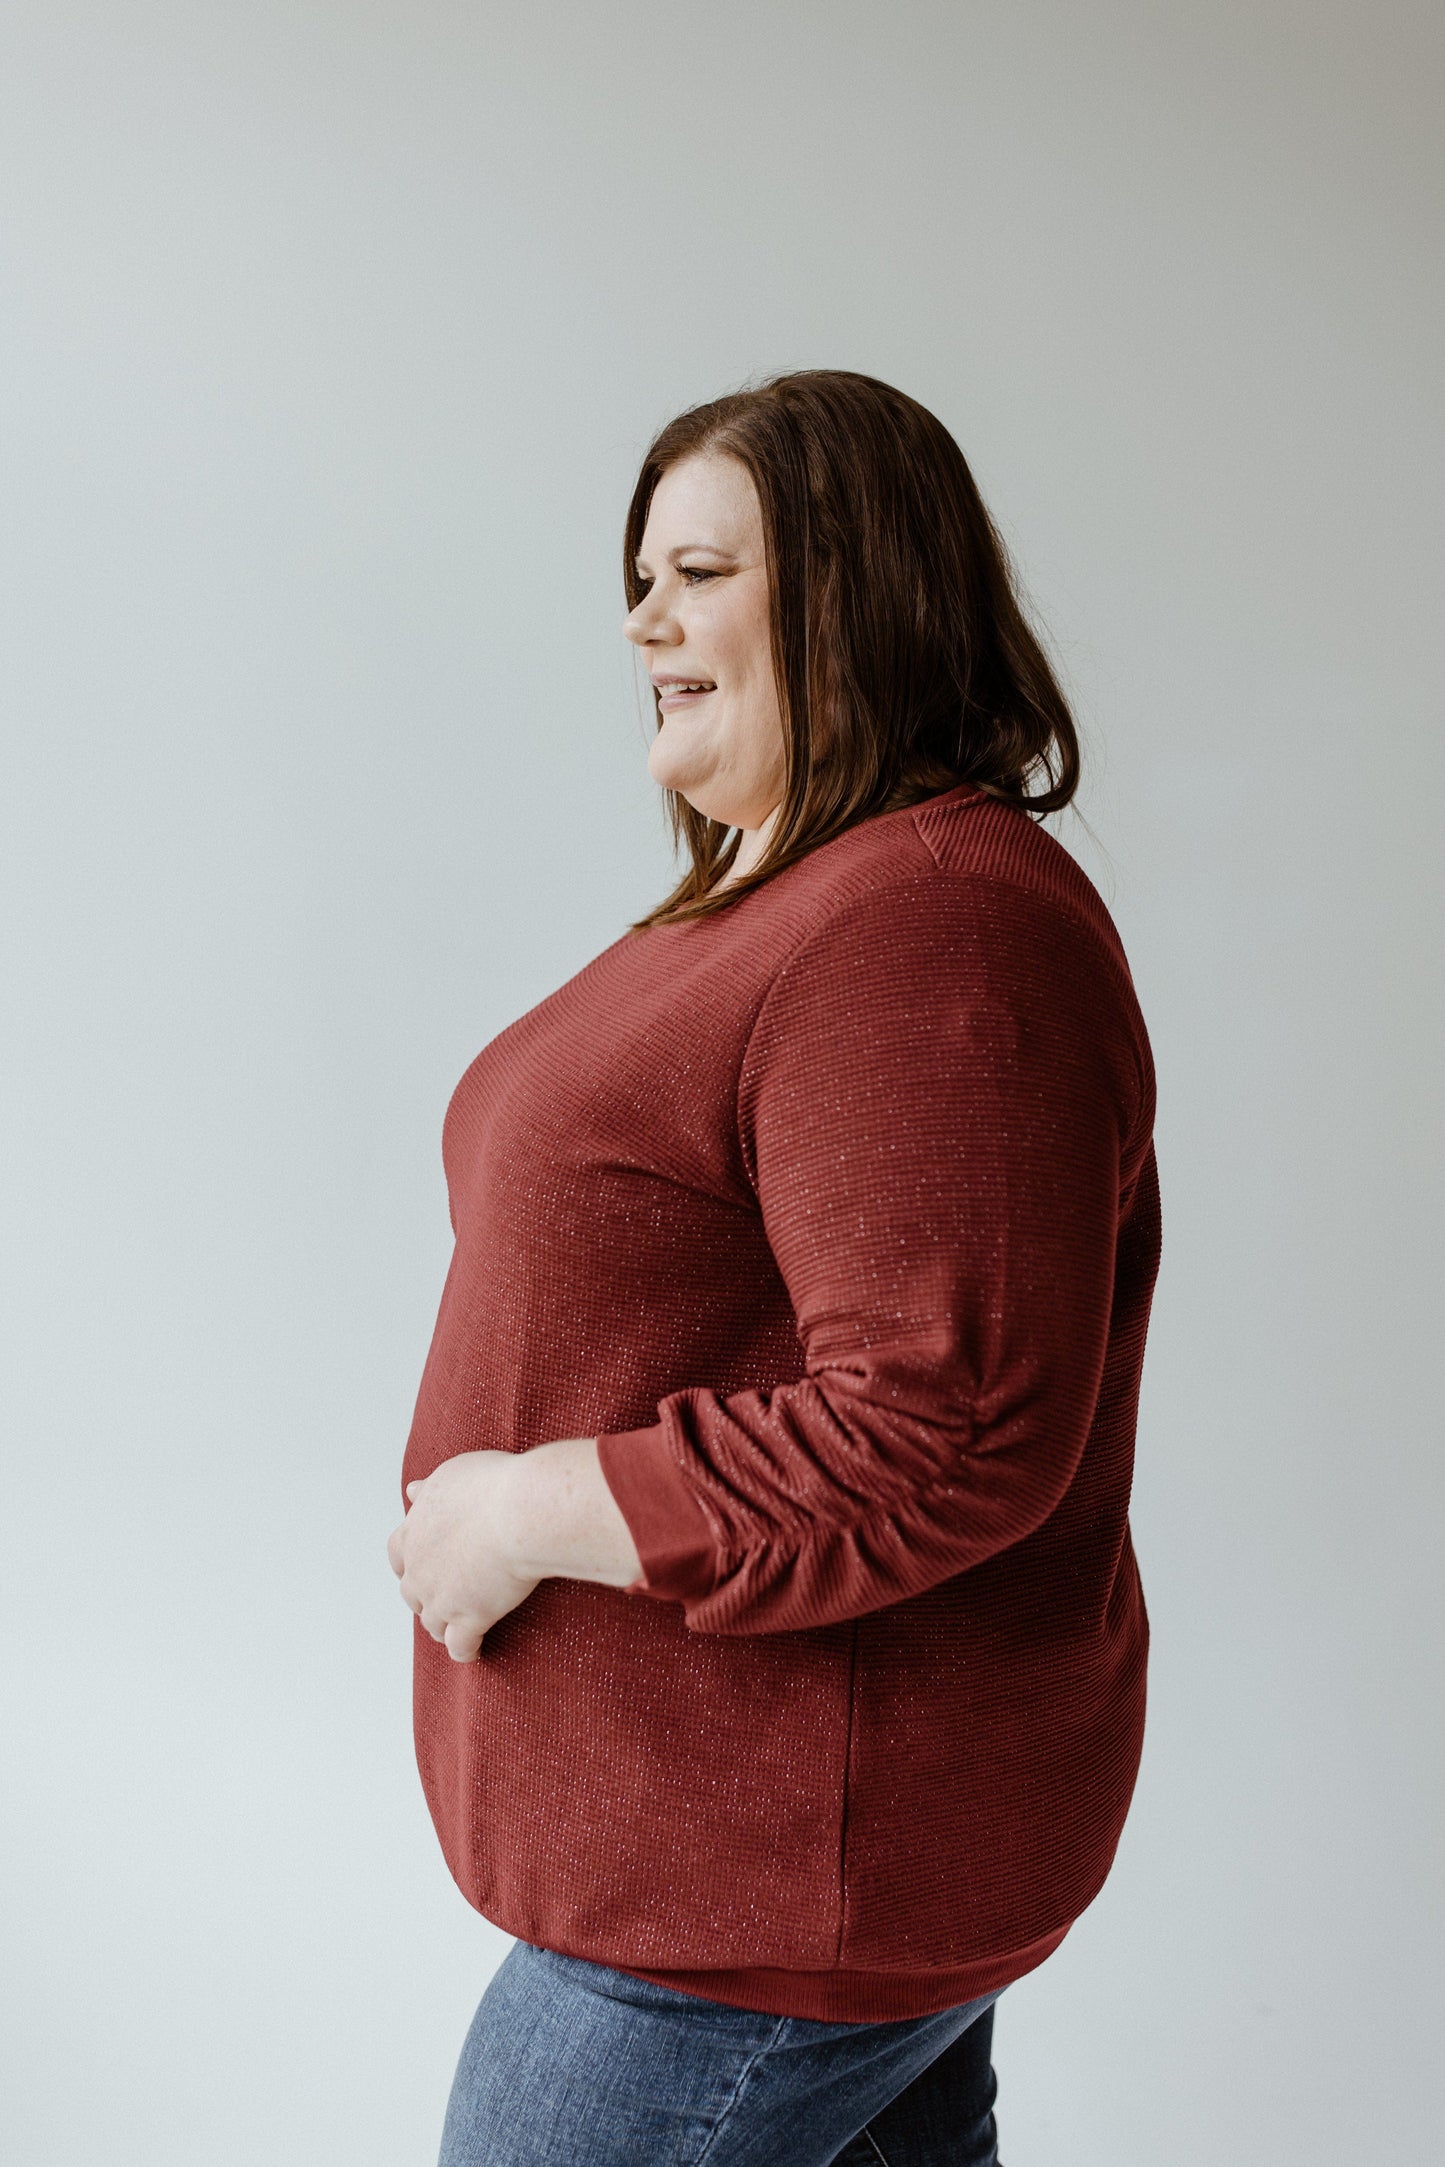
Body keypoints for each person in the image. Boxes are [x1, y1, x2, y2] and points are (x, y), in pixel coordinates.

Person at [387, 368, 1163, 2166]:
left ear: (861, 586)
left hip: (748, 1912)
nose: (645, 619)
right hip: (741, 1877)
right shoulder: (798, 905)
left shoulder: (926, 925)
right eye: (640, 578)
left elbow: (940, 1427)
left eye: (703, 571)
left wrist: (523, 1511)